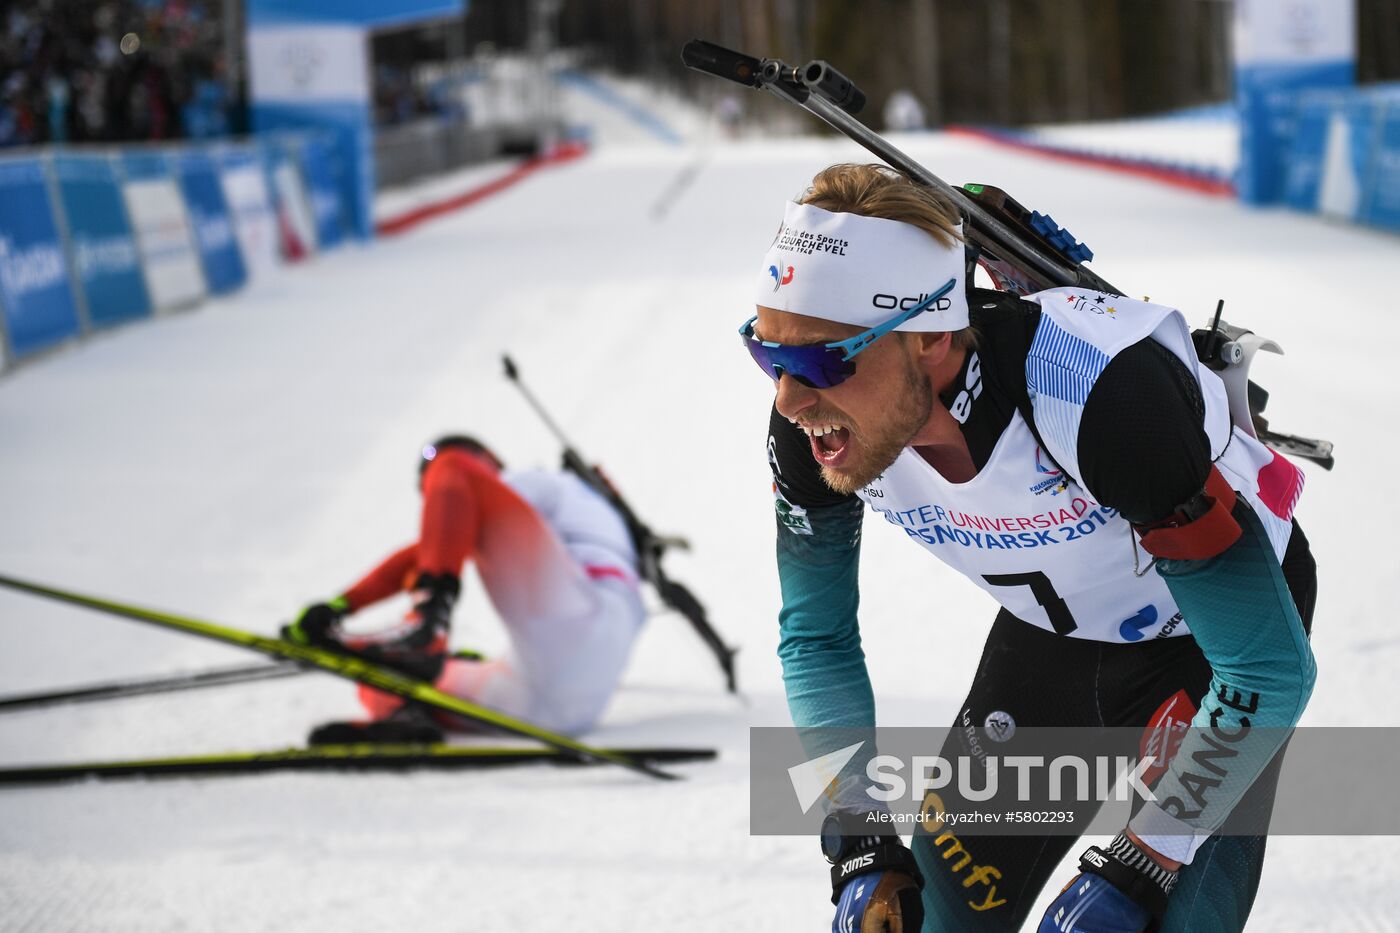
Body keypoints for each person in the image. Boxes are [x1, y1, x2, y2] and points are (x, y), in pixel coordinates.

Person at [746, 164, 1316, 932]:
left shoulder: (1097, 396)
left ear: (931, 339)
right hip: (1054, 640)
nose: (788, 398)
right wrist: (858, 837)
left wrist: (1142, 860)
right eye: (768, 354)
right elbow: (815, 640)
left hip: (1215, 654)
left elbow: (1268, 670)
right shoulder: (812, 430)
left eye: (821, 362)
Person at [283, 435, 645, 739]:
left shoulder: (534, 481)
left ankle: (426, 628)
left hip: (580, 619)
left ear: (487, 459)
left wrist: (340, 605)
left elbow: (421, 553)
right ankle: (407, 715)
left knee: (452, 463)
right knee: (390, 675)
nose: (438, 501)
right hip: (560, 705)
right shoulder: (592, 511)